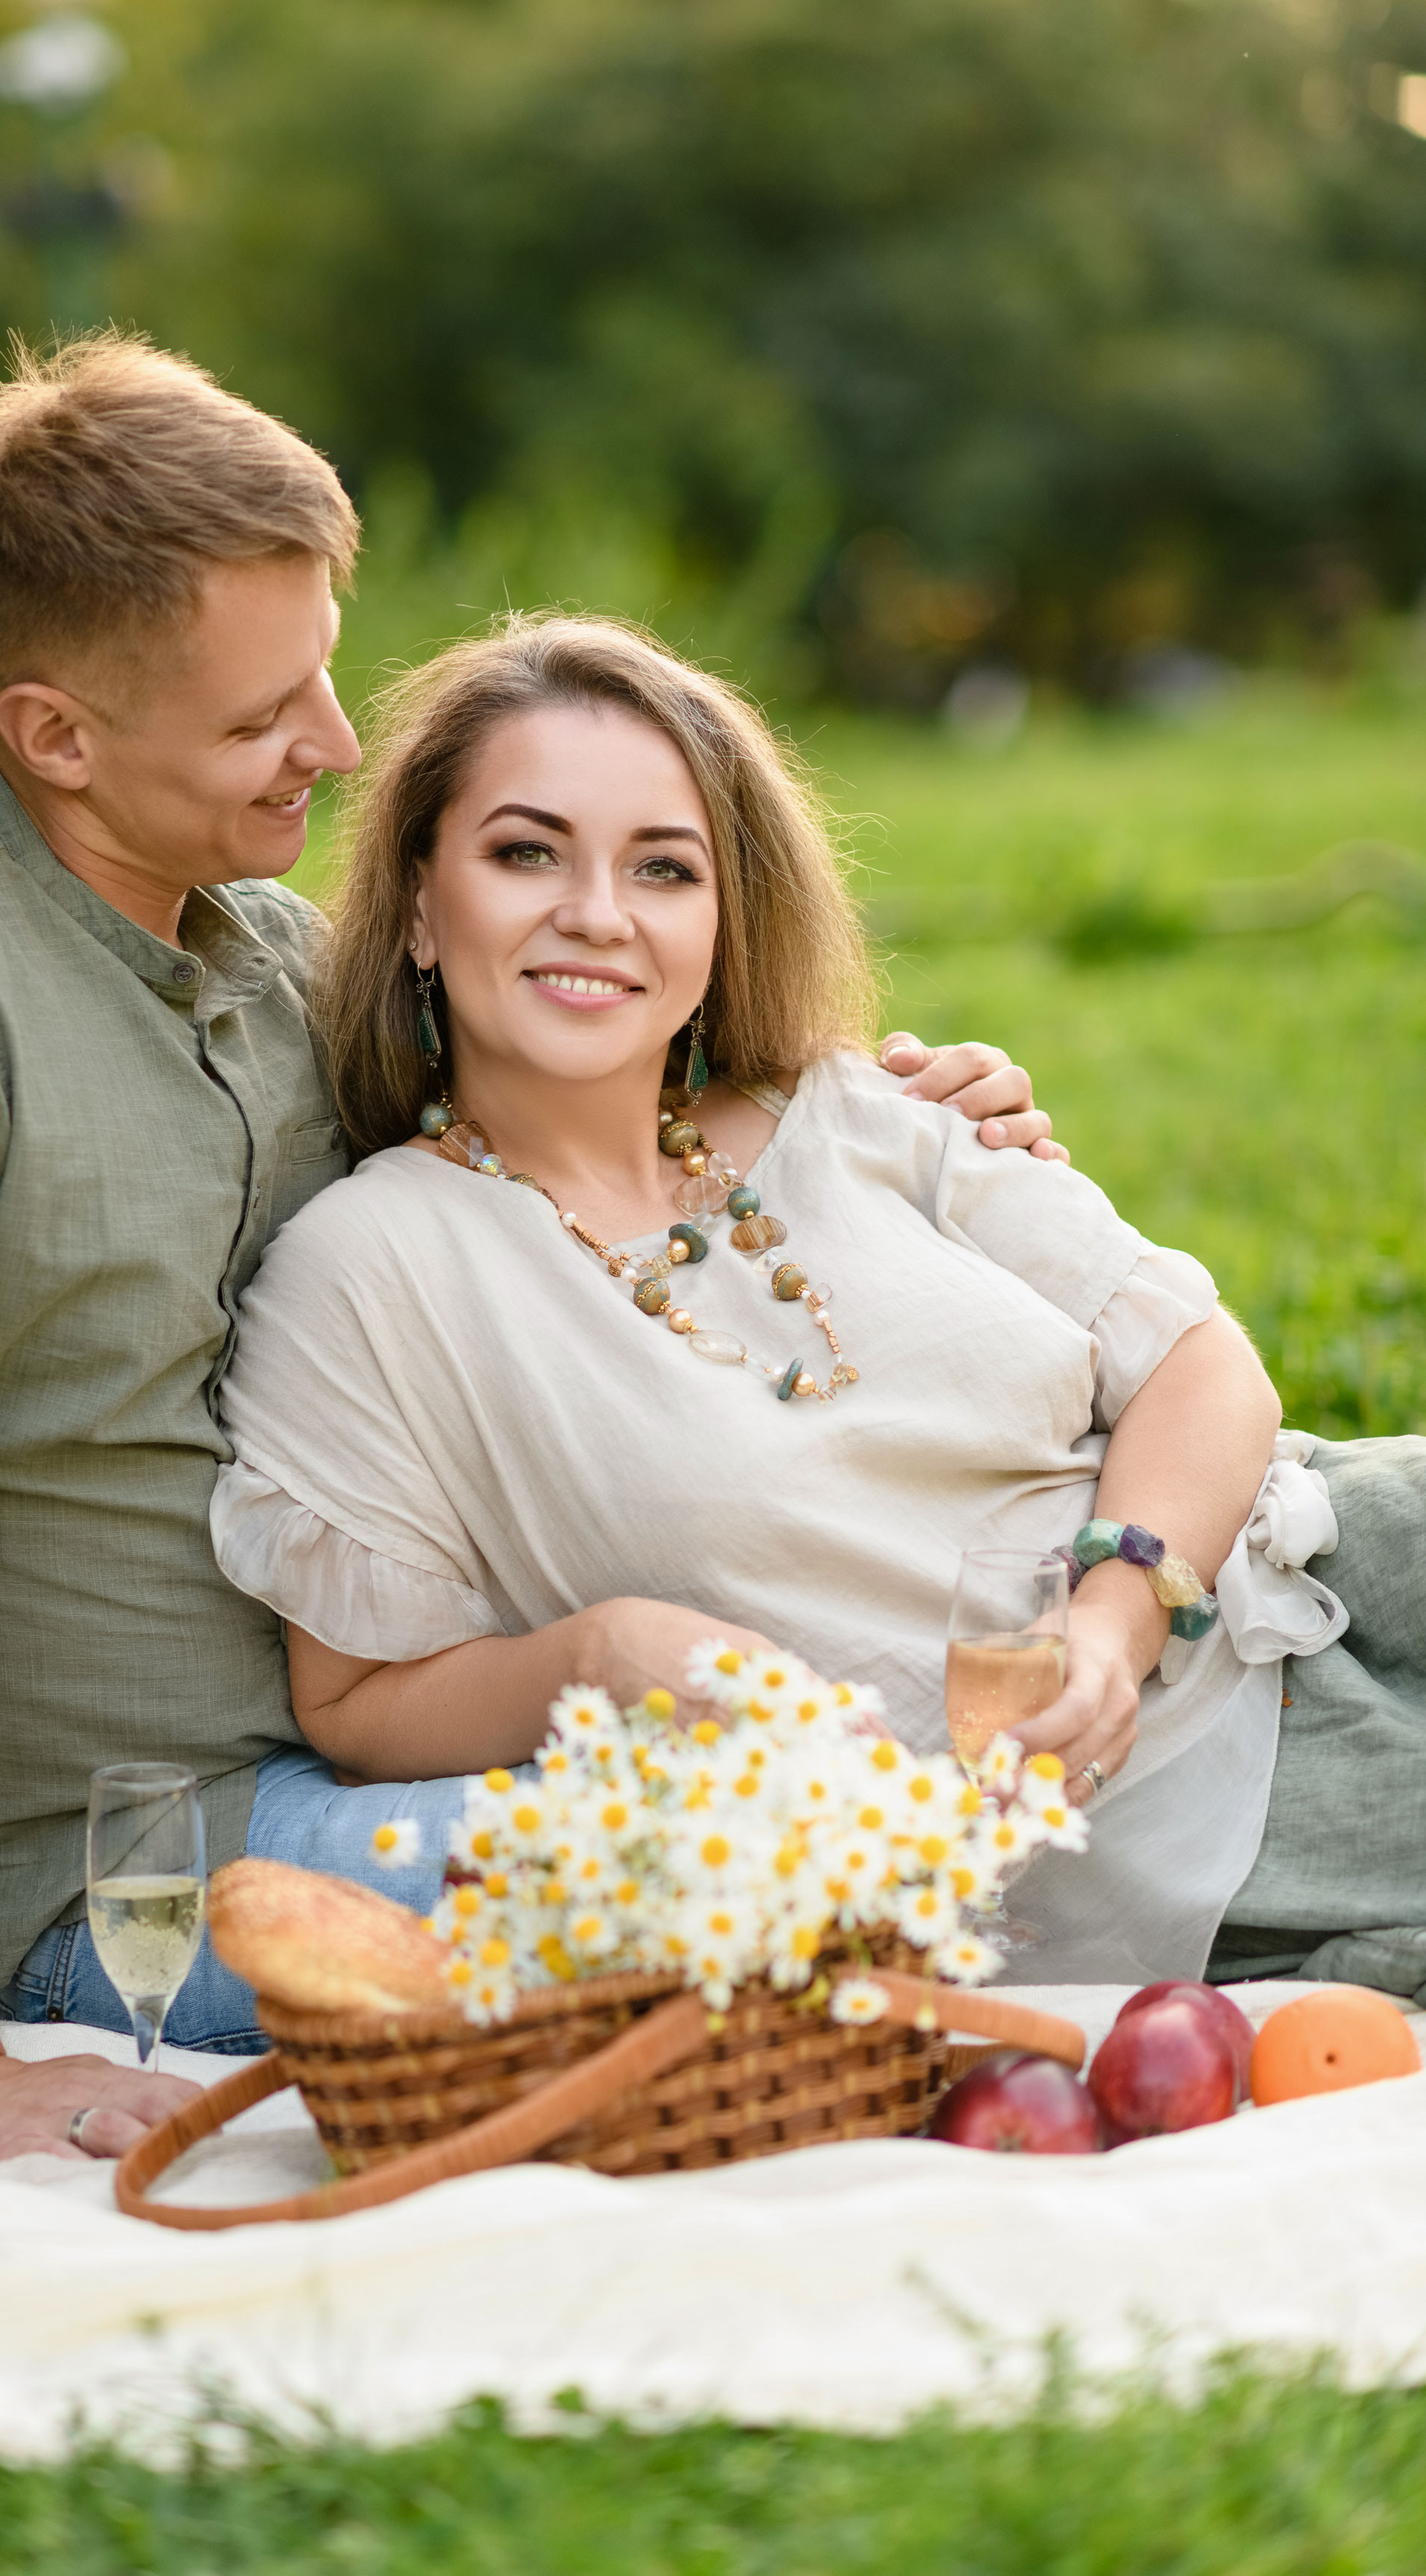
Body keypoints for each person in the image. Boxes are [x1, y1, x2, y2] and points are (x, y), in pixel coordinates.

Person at [0, 335, 1059, 2165]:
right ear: (55, 735)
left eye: (322, 673)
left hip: (417, 1734)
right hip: (148, 1851)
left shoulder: (250, 948)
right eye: (264, 717)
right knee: (796, 1878)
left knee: (876, 1808)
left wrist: (884, 1120)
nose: (334, 745)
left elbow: (562, 1114)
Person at [208, 615, 1426, 1993]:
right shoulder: (368, 1270)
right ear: (423, 905)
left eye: (662, 867)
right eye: (526, 852)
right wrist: (595, 1655)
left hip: (1306, 1558)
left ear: (720, 921)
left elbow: (1198, 1363)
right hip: (1165, 1801)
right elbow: (354, 1701)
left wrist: (1112, 1618)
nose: (598, 912)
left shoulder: (859, 1106)